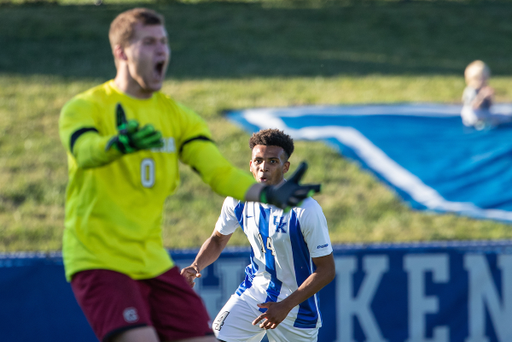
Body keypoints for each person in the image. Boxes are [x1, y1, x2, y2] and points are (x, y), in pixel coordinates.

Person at [58, 8, 319, 342]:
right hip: (98, 256)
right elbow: (85, 150)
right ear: (121, 52)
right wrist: (116, 146)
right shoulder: (85, 107)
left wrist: (268, 194)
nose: (161, 50)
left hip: (150, 260)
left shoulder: (179, 117)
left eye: (164, 42)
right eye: (149, 42)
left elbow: (219, 172)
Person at [181, 129, 336, 342]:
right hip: (253, 295)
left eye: (273, 161)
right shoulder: (238, 200)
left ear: (286, 166)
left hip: (296, 309)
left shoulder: (306, 210)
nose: (264, 167)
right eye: (258, 161)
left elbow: (326, 270)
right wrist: (196, 266)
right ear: (250, 165)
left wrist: (285, 306)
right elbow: (218, 239)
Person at [461, 60, 512, 129]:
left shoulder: (484, 89)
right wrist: (481, 97)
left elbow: (490, 107)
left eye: (485, 78)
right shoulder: (471, 90)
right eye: (479, 79)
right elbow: (474, 107)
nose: (482, 81)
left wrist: (489, 97)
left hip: (483, 114)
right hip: (473, 115)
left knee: (504, 117)